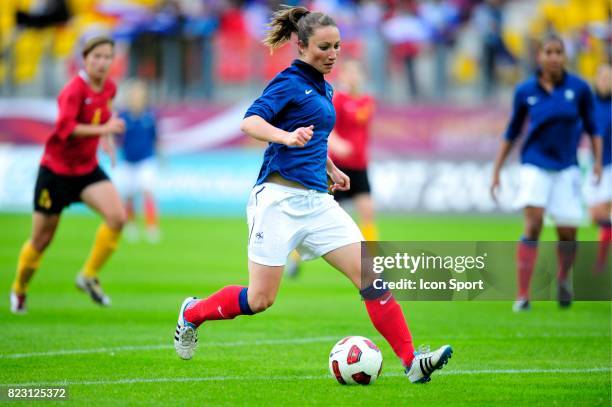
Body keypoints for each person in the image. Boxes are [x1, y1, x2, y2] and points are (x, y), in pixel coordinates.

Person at [173, 6, 452, 384]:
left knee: (371, 276)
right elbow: (250, 121)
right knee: (260, 300)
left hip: (318, 203)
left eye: (337, 46)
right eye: (324, 46)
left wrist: (331, 168)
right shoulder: (288, 82)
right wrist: (285, 136)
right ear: (301, 45)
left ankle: (411, 362)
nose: (333, 53)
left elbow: (315, 138)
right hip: (277, 201)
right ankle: (192, 313)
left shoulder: (326, 85)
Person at [9, 36, 127, 313]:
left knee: (117, 218)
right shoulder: (73, 90)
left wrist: (105, 141)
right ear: (84, 58)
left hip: (85, 169)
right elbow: (66, 128)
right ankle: (19, 289)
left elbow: (103, 117)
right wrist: (105, 131)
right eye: (96, 56)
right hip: (56, 172)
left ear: (113, 60)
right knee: (41, 240)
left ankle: (87, 275)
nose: (101, 62)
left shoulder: (109, 87)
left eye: (107, 57)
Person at [490, 34, 603, 312]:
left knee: (567, 233)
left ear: (564, 56)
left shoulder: (579, 89)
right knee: (533, 222)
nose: (553, 57)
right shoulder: (525, 90)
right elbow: (513, 131)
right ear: (539, 55)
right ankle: (522, 295)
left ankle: (564, 279)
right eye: (548, 52)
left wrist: (598, 161)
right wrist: (497, 169)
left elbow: (593, 128)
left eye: (558, 52)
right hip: (534, 164)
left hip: (567, 167)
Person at [285, 59, 379, 277]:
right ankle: (296, 258)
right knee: (319, 217)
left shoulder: (367, 101)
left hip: (360, 166)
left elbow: (364, 132)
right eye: (349, 73)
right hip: (337, 168)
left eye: (356, 73)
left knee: (368, 213)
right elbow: (329, 130)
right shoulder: (337, 100)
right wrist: (338, 145)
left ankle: (373, 264)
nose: (353, 77)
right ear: (343, 76)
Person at [115, 79, 161, 243]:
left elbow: (156, 139)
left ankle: (151, 227)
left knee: (148, 191)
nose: (137, 97)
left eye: (140, 94)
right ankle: (131, 225)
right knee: (128, 195)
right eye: (134, 94)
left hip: (146, 160)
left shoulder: (150, 116)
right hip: (127, 161)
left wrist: (162, 158)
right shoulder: (122, 116)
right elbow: (115, 138)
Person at [586, 64, 611, 273]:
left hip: (610, 166)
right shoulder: (590, 105)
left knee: (602, 212)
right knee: (594, 216)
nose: (605, 81)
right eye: (602, 77)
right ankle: (601, 262)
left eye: (609, 78)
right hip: (594, 166)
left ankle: (600, 263)